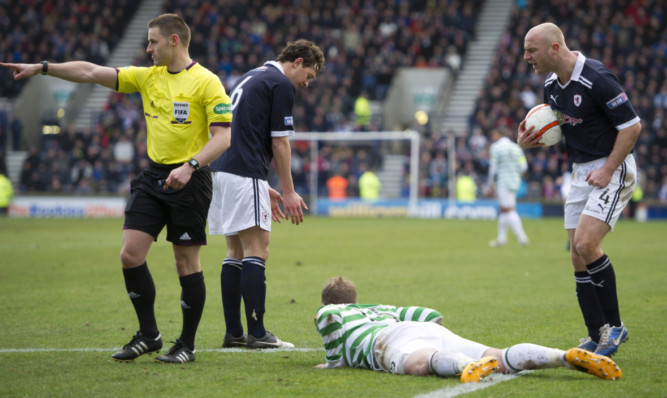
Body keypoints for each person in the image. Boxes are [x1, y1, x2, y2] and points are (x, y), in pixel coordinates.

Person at [1, 13, 233, 363]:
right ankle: (149, 334)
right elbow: (91, 72)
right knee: (130, 254)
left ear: (174, 41)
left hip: (191, 179)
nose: (148, 48)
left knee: (186, 262)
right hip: (154, 177)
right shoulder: (147, 77)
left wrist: (190, 166)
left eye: (153, 41)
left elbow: (223, 137)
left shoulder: (207, 82)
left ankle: (186, 344)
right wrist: (43, 67)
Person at [518, 23, 641, 357]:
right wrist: (530, 140)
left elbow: (632, 127)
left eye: (532, 50)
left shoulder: (597, 78)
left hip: (612, 166)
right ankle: (595, 332)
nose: (526, 56)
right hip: (581, 170)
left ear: (554, 48)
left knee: (587, 243)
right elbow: (560, 130)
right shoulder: (550, 85)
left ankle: (614, 326)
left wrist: (607, 169)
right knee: (576, 253)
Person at [208, 39, 325, 349]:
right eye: (309, 76)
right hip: (244, 171)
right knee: (257, 247)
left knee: (234, 250)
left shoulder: (250, 76)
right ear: (297, 62)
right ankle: (258, 334)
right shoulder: (281, 83)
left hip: (222, 170)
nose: (306, 84)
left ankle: (234, 334)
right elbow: (280, 143)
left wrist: (264, 185)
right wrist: (288, 191)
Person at [314, 277, 622, 382]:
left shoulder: (334, 310)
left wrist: (332, 362)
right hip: (414, 326)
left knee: (417, 364)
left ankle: (465, 366)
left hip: (385, 341)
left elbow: (327, 317)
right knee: (497, 356)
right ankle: (563, 357)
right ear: (356, 298)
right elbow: (432, 314)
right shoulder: (382, 307)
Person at [485, 127, 530, 247]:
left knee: (508, 209)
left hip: (503, 182)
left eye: (494, 134)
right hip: (515, 181)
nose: (493, 137)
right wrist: (516, 175)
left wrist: (489, 185)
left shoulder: (496, 148)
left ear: (499, 134)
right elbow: (524, 167)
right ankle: (501, 239)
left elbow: (492, 168)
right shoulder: (516, 147)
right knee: (504, 209)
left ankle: (522, 238)